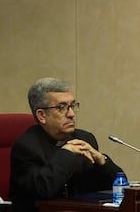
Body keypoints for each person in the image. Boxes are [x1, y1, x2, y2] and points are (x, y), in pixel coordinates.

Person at [9, 77, 124, 212]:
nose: (71, 114)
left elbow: (120, 189)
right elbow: (43, 190)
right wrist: (67, 153)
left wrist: (102, 161)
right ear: (41, 115)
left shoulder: (85, 139)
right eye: (61, 108)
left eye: (72, 106)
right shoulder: (26, 147)